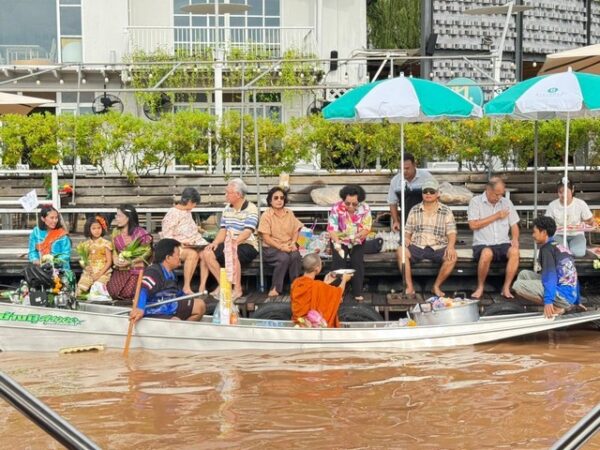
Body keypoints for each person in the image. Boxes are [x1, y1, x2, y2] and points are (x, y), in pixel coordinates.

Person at [512, 216, 583, 318]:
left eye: (535, 232)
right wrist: (577, 300)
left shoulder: (546, 250)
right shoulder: (559, 246)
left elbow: (550, 276)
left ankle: (556, 307)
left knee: (518, 285)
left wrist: (548, 301)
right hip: (569, 294)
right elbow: (573, 275)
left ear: (544, 232)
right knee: (524, 274)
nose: (533, 235)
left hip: (562, 295)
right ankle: (560, 304)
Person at [397, 178, 457, 297]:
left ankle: (436, 286)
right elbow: (407, 230)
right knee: (400, 251)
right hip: (418, 245)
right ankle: (409, 287)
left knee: (452, 257)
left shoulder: (446, 210)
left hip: (438, 246)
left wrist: (450, 247)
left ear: (438, 193)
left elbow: (451, 232)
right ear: (422, 194)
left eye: (431, 191)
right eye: (425, 191)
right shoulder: (414, 209)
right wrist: (406, 238)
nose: (428, 194)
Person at [199, 179, 258, 300]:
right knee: (207, 252)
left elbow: (247, 232)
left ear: (238, 194)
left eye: (228, 192)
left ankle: (238, 289)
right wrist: (215, 242)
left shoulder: (251, 208)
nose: (225, 195)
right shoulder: (227, 208)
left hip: (247, 244)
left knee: (231, 252)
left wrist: (234, 243)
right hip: (228, 242)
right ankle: (224, 285)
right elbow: (223, 230)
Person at [129, 238, 206, 324]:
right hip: (154, 310)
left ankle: (183, 329)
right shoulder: (153, 272)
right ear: (168, 258)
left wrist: (185, 296)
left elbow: (174, 292)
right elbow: (143, 290)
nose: (180, 258)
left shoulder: (171, 273)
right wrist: (140, 308)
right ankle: (179, 328)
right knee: (175, 321)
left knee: (200, 306)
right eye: (178, 255)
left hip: (170, 306)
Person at [468, 180, 520, 299]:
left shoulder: (506, 202)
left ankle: (506, 287)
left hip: (503, 242)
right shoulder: (476, 202)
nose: (499, 197)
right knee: (487, 253)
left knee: (515, 252)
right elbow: (473, 225)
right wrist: (496, 216)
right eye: (496, 194)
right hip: (483, 243)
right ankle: (480, 286)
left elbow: (514, 225)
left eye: (501, 194)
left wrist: (515, 239)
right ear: (488, 190)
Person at [328, 184, 372, 301]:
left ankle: (357, 291)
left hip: (357, 240)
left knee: (357, 262)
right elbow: (332, 229)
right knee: (338, 263)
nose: (351, 206)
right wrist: (337, 243)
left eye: (354, 204)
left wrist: (357, 236)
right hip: (339, 239)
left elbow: (367, 228)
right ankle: (337, 293)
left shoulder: (365, 208)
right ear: (343, 199)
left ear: (360, 201)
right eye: (347, 203)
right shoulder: (336, 208)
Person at [160, 187, 208, 294]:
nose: (195, 206)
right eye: (195, 203)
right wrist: (181, 243)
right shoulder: (172, 213)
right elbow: (167, 237)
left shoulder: (187, 212)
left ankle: (202, 285)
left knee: (206, 254)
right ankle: (186, 287)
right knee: (192, 254)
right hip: (176, 246)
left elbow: (187, 227)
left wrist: (199, 230)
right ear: (190, 202)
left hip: (193, 243)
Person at [258, 187, 303, 298]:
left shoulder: (289, 213)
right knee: (284, 258)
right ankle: (275, 288)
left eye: (282, 198)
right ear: (270, 201)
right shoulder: (266, 215)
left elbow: (296, 229)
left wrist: (293, 242)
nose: (279, 200)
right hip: (271, 248)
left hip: (288, 245)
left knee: (296, 256)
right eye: (276, 198)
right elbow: (266, 238)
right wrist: (281, 247)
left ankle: (296, 287)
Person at [291, 253, 352, 328]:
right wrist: (344, 280)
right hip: (312, 323)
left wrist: (325, 283)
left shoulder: (296, 282)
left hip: (300, 321)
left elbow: (314, 293)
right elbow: (339, 292)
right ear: (317, 269)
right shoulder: (317, 285)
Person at [107, 204, 153, 301]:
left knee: (128, 293)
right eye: (116, 215)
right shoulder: (116, 231)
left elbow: (147, 252)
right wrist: (115, 259)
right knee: (112, 292)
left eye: (119, 216)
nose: (116, 218)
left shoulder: (141, 233)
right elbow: (114, 249)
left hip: (135, 267)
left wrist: (130, 262)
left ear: (128, 218)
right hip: (120, 268)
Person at [544, 179, 594, 257]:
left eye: (566, 192)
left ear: (572, 190)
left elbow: (590, 220)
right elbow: (547, 223)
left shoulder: (580, 204)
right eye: (560, 192)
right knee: (562, 252)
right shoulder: (552, 205)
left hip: (577, 234)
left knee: (578, 253)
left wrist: (584, 224)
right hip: (558, 234)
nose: (563, 195)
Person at [387, 153, 435, 230]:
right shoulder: (395, 181)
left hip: (426, 216)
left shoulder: (426, 177)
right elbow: (392, 203)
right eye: (402, 169)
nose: (404, 171)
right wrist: (396, 221)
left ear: (414, 165)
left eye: (407, 168)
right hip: (405, 216)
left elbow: (436, 197)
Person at [76, 216, 113, 296]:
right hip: (89, 273)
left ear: (102, 228)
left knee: (97, 290)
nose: (97, 231)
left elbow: (109, 262)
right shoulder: (85, 245)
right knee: (80, 290)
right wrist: (85, 267)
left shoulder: (106, 243)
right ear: (88, 229)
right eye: (94, 228)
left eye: (99, 228)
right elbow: (82, 260)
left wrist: (99, 274)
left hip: (103, 273)